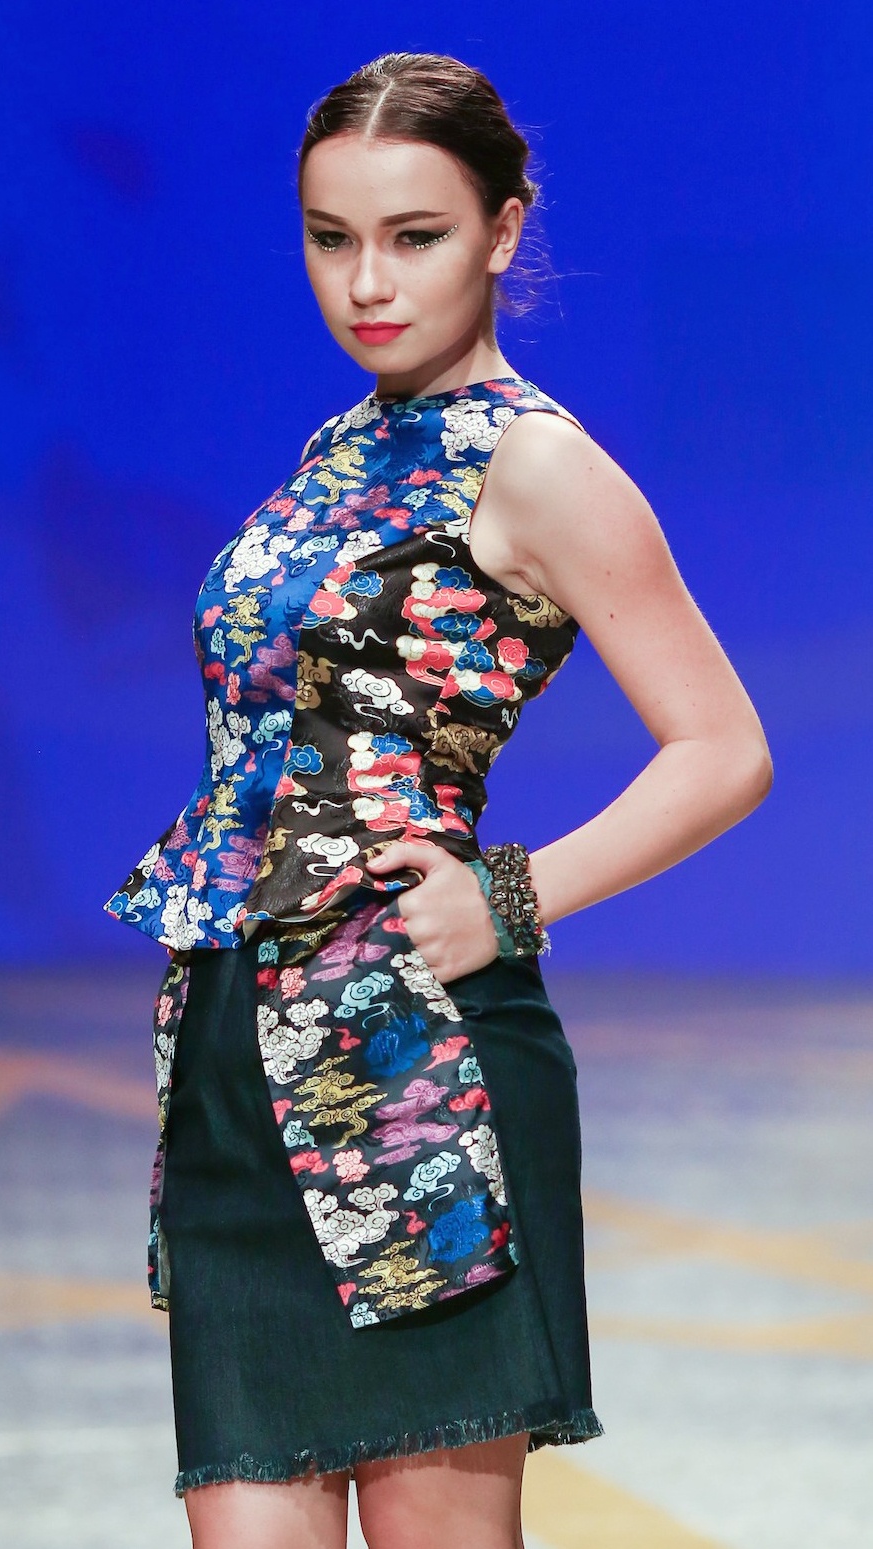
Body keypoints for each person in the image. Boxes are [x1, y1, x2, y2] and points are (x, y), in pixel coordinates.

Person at [104, 50, 772, 1549]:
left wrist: (511, 896)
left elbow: (725, 747)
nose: (367, 282)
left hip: (420, 1062)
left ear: (503, 231)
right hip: (236, 1059)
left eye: (414, 236)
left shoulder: (536, 467)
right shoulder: (338, 450)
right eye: (330, 237)